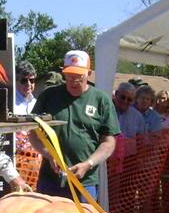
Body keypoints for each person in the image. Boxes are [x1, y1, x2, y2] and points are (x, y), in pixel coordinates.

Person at [28, 50, 119, 201]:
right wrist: (49, 155)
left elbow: (109, 142)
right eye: (69, 76)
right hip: (51, 180)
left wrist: (88, 164)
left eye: (78, 77)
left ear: (88, 74)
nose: (73, 81)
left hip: (85, 181)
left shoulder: (101, 100)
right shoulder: (48, 96)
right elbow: (33, 134)